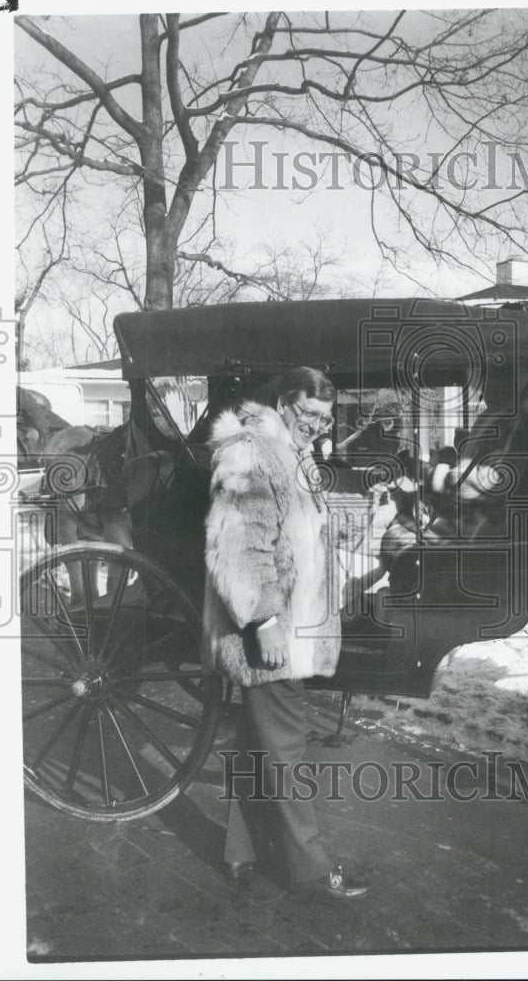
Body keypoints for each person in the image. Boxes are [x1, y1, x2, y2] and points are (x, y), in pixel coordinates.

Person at [203, 366, 370, 899]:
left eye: (324, 419)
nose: (317, 426)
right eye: (308, 414)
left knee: (261, 742)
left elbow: (292, 532)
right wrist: (266, 620)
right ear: (282, 402)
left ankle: (239, 853)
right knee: (288, 748)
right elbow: (239, 545)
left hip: (286, 627)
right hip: (271, 631)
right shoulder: (254, 451)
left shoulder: (295, 456)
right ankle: (313, 872)